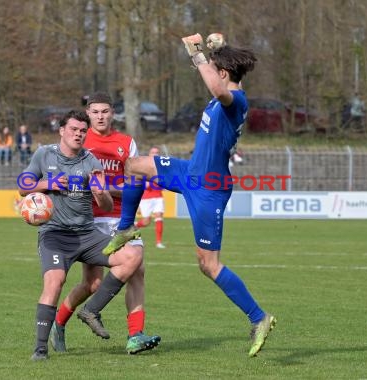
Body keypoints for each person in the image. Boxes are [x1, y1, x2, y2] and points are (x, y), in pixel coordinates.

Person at [100, 33, 276, 357]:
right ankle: (126, 226)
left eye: (214, 69)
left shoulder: (235, 100)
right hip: (191, 172)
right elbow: (218, 79)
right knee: (135, 165)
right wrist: (218, 50)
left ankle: (259, 317)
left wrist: (198, 55)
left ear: (222, 74)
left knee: (208, 265)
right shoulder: (226, 91)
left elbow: (217, 87)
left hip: (209, 189)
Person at [18, 110, 143, 361]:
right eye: (73, 129)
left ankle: (91, 310)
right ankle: (40, 349)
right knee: (55, 281)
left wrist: (101, 194)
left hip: (87, 234)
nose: (78, 134)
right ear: (62, 130)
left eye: (82, 131)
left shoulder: (91, 162)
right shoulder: (44, 154)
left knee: (131, 257)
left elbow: (107, 206)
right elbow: (23, 186)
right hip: (54, 234)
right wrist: (48, 183)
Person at [51, 92, 161, 355]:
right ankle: (60, 321)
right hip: (89, 220)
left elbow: (134, 184)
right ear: (88, 114)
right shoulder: (79, 139)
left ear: (113, 113)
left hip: (120, 217)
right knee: (93, 285)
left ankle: (135, 335)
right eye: (95, 112)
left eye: (105, 111)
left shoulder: (126, 143)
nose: (100, 116)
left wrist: (104, 188)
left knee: (138, 269)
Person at [135, 146, 166, 249]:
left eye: (157, 152)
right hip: (146, 198)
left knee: (159, 217)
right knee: (146, 222)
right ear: (149, 154)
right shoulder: (143, 166)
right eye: (153, 152)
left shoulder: (162, 166)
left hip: (158, 196)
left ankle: (158, 242)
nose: (155, 154)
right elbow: (138, 181)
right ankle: (133, 225)